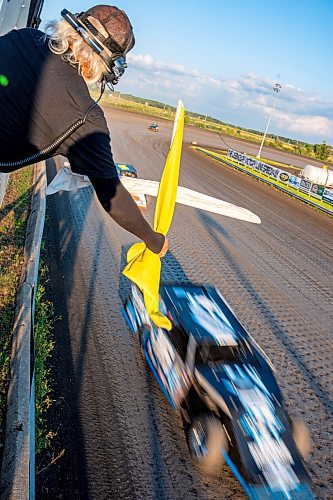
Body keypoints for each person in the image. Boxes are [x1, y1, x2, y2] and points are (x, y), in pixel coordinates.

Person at [0, 4, 168, 256]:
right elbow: (114, 198)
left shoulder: (25, 36)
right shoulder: (86, 119)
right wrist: (153, 240)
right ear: (108, 63)